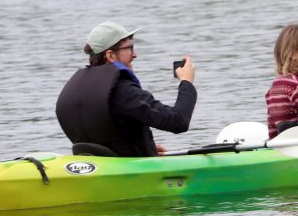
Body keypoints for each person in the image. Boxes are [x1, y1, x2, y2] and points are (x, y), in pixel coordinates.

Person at [56, 21, 196, 157]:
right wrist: (186, 81)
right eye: (130, 48)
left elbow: (106, 141)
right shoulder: (122, 91)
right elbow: (178, 122)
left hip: (99, 169)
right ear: (110, 55)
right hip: (130, 174)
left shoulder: (75, 89)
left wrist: (145, 147)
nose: (134, 55)